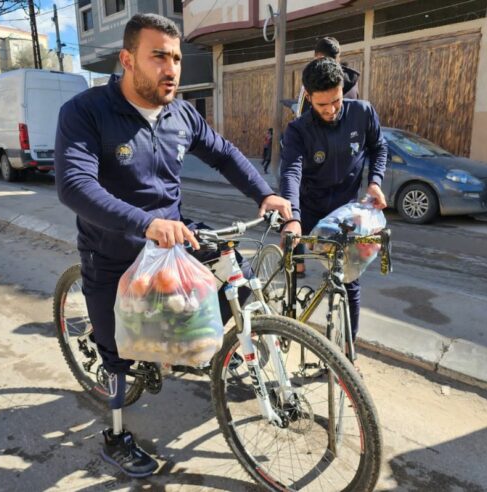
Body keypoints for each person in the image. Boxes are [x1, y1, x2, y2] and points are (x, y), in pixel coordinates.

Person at [55, 13, 291, 479]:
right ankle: (117, 434)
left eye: (177, 58)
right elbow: (74, 185)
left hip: (174, 236)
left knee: (235, 279)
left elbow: (224, 153)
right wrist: (145, 223)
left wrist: (265, 193)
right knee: (117, 351)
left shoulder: (181, 114)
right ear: (127, 59)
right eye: (158, 56)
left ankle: (212, 348)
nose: (172, 69)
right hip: (112, 250)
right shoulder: (85, 112)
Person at [280, 57, 387, 357]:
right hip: (309, 209)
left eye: (336, 101)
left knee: (349, 281)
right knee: (292, 257)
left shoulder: (362, 113)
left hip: (346, 213)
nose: (330, 110)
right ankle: (289, 318)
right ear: (309, 96)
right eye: (322, 104)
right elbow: (290, 172)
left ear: (343, 90)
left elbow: (379, 147)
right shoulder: (298, 131)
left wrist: (375, 182)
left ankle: (347, 355)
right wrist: (293, 218)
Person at [297, 36, 360, 116]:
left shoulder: (312, 80)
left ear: (318, 57)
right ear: (338, 58)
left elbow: (302, 114)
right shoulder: (352, 81)